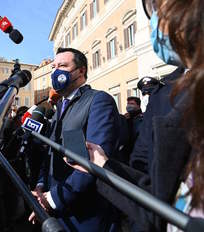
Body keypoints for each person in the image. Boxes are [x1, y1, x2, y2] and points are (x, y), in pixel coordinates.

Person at [67, 0, 204, 231]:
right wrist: (104, 166)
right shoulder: (174, 93)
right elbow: (156, 198)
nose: (154, 21)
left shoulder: (98, 100)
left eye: (156, 8)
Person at [29, 47, 120, 231]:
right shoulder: (58, 109)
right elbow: (50, 153)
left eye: (62, 65)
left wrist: (52, 199)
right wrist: (41, 187)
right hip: (57, 209)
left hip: (86, 215)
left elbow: (93, 163)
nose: (56, 71)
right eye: (54, 67)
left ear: (81, 70)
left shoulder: (98, 101)